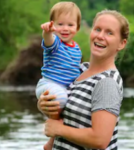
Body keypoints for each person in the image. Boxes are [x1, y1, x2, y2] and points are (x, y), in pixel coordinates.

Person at [38, 9, 129, 150]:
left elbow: (100, 140)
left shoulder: (107, 82)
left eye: (109, 33)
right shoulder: (79, 70)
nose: (100, 36)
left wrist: (59, 130)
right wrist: (44, 105)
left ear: (121, 44)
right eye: (97, 29)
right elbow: (66, 110)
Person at [35, 1, 82, 150]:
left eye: (70, 25)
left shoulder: (77, 48)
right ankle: (56, 129)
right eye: (60, 24)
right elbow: (48, 40)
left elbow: (75, 69)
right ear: (53, 25)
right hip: (49, 84)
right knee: (60, 99)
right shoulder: (55, 44)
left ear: (77, 28)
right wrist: (47, 32)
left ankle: (52, 142)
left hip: (65, 87)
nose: (65, 29)